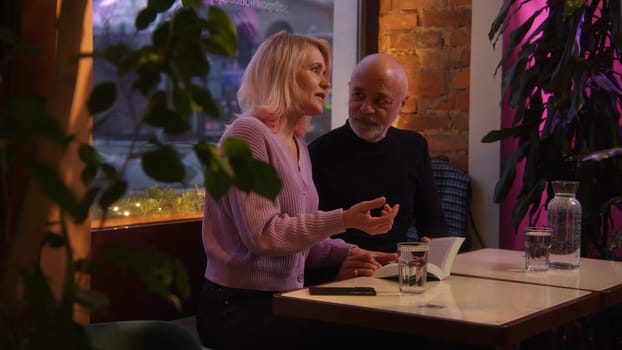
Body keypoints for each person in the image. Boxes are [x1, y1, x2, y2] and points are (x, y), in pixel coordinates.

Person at [195, 31, 399, 350]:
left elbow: (302, 243)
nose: (326, 83)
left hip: (283, 301)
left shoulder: (299, 145)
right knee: (366, 331)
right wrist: (344, 219)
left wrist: (354, 252)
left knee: (384, 322)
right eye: (315, 70)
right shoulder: (247, 134)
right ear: (285, 72)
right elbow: (265, 236)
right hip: (237, 309)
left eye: (326, 74)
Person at [309, 53, 449, 256]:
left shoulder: (414, 147)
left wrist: (433, 248)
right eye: (358, 95)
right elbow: (307, 237)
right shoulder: (317, 152)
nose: (366, 108)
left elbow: (433, 222)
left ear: (402, 104)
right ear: (348, 90)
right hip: (338, 272)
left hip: (395, 270)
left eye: (380, 100)